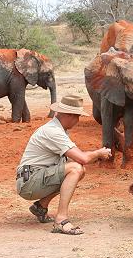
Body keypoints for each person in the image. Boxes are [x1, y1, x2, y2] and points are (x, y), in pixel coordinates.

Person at [16, 95, 112, 235]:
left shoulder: (56, 129)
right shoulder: (53, 132)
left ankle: (40, 206)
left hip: (29, 177)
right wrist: (98, 153)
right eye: (77, 116)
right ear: (68, 115)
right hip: (29, 181)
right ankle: (61, 220)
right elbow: (83, 158)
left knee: (76, 168)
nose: (77, 121)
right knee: (75, 168)